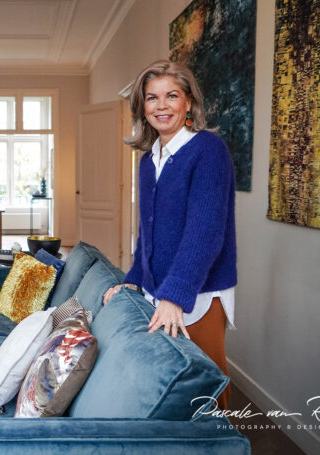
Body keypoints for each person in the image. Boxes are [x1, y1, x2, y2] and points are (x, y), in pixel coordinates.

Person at [103, 60, 236, 410]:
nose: (161, 106)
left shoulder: (208, 150)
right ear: (142, 107)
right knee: (168, 388)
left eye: (172, 96)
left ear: (189, 102)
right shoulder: (148, 161)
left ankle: (223, 439)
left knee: (207, 384)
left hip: (198, 292)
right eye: (152, 98)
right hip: (157, 290)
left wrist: (175, 296)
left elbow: (205, 232)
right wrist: (133, 280)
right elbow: (147, 234)